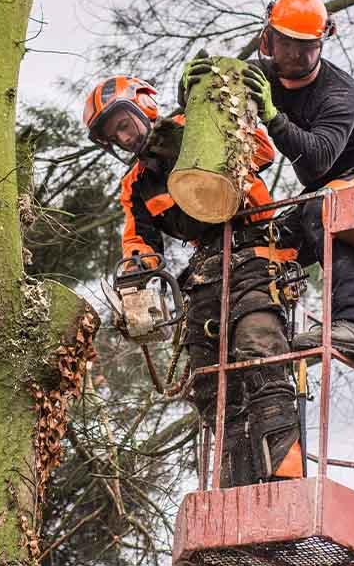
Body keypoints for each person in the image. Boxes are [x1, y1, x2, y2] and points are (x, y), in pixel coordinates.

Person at [83, 75, 303, 486]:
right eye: (116, 135)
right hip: (204, 270)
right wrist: (135, 273)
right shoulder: (136, 185)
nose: (125, 137)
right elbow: (140, 240)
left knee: (260, 351)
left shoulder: (194, 125)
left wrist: (217, 128)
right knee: (209, 383)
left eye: (125, 125)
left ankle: (286, 479)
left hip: (254, 248)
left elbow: (262, 150)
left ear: (144, 108)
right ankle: (235, 487)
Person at [183, 0, 354, 367]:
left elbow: (315, 165)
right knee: (257, 240)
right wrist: (194, 90)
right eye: (285, 42)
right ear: (269, 38)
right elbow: (216, 109)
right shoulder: (260, 74)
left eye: (304, 46)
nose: (293, 53)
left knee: (323, 208)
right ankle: (262, 342)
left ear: (322, 43)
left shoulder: (339, 93)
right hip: (325, 190)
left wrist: (274, 117)